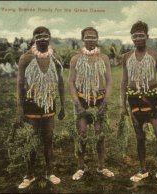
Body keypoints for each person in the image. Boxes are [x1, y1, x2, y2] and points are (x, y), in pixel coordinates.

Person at [121, 21, 157, 184]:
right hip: (134, 99)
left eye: (141, 35)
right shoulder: (126, 57)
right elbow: (124, 82)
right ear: (131, 38)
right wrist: (123, 105)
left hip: (153, 99)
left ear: (147, 37)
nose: (138, 39)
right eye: (135, 36)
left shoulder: (156, 55)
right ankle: (143, 170)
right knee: (140, 137)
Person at [16, 26, 65, 189]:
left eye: (45, 36)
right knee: (30, 140)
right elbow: (20, 84)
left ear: (50, 37)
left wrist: (63, 105)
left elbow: (61, 82)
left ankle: (49, 172)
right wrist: (20, 107)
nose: (42, 39)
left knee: (48, 140)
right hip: (31, 105)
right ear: (34, 39)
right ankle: (29, 174)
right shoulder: (26, 58)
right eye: (39, 36)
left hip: (49, 105)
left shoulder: (55, 58)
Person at [69, 27, 114, 180]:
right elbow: (71, 83)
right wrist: (77, 103)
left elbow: (109, 81)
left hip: (99, 100)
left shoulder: (104, 58)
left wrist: (105, 101)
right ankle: (80, 167)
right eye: (88, 37)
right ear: (83, 39)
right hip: (82, 100)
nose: (91, 39)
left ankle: (101, 167)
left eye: (93, 37)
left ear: (97, 38)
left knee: (99, 135)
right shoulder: (76, 59)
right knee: (81, 134)